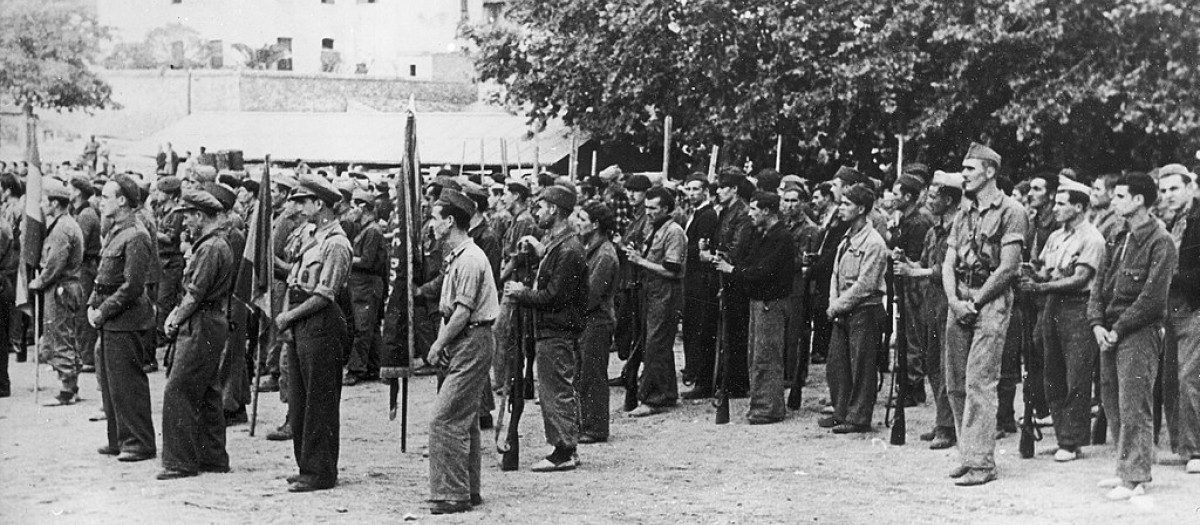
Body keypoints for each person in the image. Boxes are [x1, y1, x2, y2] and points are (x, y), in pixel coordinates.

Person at [943, 143, 1028, 486]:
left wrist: (974, 302)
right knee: (956, 382)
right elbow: (948, 261)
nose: (963, 175)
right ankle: (968, 454)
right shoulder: (965, 213)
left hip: (989, 300)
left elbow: (1008, 268)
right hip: (960, 295)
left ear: (990, 172)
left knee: (980, 381)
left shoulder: (1011, 210)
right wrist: (953, 299)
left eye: (969, 169)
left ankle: (981, 463)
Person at [1088, 172, 1177, 500]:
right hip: (1110, 330)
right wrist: (1097, 323)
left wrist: (1116, 328)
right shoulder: (1115, 235)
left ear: (1139, 200)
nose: (1114, 201)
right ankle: (1125, 467)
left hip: (1138, 332)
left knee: (1134, 403)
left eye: (1121, 196)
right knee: (1112, 401)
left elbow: (1153, 299)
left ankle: (1135, 476)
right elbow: (1098, 285)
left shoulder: (1160, 241)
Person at [1018, 178, 1106, 462]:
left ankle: (1072, 440)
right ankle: (1061, 435)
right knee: (1051, 372)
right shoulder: (1056, 237)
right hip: (1052, 306)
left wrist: (1041, 287)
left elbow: (1081, 278)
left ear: (1079, 207)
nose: (1054, 208)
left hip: (1079, 307)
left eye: (1061, 204)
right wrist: (1030, 272)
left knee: (1076, 376)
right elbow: (1046, 270)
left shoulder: (1092, 238)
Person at [275, 175, 353, 492]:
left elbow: (324, 295)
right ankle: (306, 465)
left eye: (303, 200)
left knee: (319, 401)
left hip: (321, 323)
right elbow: (295, 278)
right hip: (302, 321)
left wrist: (288, 317)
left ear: (319, 204)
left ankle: (320, 471)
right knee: (301, 398)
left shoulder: (336, 243)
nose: (298, 206)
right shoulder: (312, 237)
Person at [424, 189, 499, 515]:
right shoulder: (460, 256)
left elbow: (462, 312)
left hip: (471, 339)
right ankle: (467, 488)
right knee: (463, 419)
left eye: (435, 218)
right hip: (466, 340)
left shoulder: (469, 259)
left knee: (444, 419)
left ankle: (452, 494)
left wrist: (439, 343)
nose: (431, 224)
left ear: (450, 221)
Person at [505, 185, 586, 472]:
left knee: (555, 390)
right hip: (552, 328)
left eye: (541, 207)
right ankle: (565, 446)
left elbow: (553, 296)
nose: (537, 212)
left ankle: (563, 450)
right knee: (555, 388)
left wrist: (521, 292)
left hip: (556, 329)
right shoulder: (561, 244)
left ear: (554, 210)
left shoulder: (569, 249)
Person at [157, 190, 235, 480]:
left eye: (188, 216)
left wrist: (175, 319)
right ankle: (212, 456)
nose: (186, 222)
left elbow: (194, 293)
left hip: (201, 322)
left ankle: (180, 461)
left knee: (178, 390)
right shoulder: (214, 244)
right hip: (210, 321)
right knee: (208, 389)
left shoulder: (210, 248)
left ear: (200, 216)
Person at [91, 174, 157, 462]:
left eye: (106, 196)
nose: (101, 201)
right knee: (111, 383)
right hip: (112, 319)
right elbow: (104, 277)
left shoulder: (136, 235)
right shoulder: (117, 231)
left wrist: (102, 310)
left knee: (128, 383)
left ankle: (139, 442)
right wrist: (94, 305)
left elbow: (132, 286)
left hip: (126, 319)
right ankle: (119, 438)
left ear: (122, 201)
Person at [896, 170, 964, 450]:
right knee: (933, 363)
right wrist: (906, 265)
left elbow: (948, 269)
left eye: (935, 196)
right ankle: (942, 419)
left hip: (948, 301)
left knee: (948, 365)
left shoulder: (958, 229)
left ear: (948, 200)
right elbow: (923, 263)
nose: (930, 200)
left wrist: (918, 271)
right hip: (930, 302)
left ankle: (949, 426)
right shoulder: (933, 231)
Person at [716, 192, 795, 424]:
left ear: (767, 211)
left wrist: (732, 271)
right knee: (756, 354)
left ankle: (768, 408)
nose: (750, 214)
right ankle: (761, 403)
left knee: (766, 357)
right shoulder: (766, 235)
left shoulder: (780, 237)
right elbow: (752, 264)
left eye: (754, 209)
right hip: (759, 301)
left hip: (771, 303)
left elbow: (764, 271)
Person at [819, 184, 887, 433]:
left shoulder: (874, 243)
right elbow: (835, 274)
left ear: (861, 209)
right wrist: (834, 303)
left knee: (861, 367)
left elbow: (865, 285)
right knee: (837, 365)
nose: (841, 209)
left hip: (864, 310)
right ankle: (841, 411)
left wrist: (837, 305)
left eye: (846, 204)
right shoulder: (846, 238)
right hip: (843, 310)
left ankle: (858, 417)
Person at [999, 172, 1056, 436]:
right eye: (1030, 189)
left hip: (1047, 297)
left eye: (1037, 189)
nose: (1031, 193)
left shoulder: (1056, 224)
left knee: (1043, 354)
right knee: (1021, 355)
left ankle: (1044, 410)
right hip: (1028, 296)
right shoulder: (1031, 220)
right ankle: (1020, 414)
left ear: (1051, 195)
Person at [625, 186, 687, 417]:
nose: (649, 212)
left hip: (666, 293)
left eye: (654, 208)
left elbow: (673, 270)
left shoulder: (674, 232)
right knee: (658, 345)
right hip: (650, 292)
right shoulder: (654, 227)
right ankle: (667, 392)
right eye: (647, 207)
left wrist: (640, 261)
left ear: (666, 209)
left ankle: (652, 398)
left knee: (654, 346)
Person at [1155, 164, 1200, 474]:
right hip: (1168, 311)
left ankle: (1196, 448)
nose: (1168, 195)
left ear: (1189, 188)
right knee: (1170, 379)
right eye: (1163, 190)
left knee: (1189, 378)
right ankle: (1182, 447)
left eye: (1173, 188)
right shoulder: (1165, 223)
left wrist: (1169, 277)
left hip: (1194, 307)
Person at [31, 179, 85, 406]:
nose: (43, 205)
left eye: (45, 200)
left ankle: (66, 388)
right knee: (66, 334)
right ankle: (70, 383)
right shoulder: (66, 224)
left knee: (59, 334)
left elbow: (55, 263)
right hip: (66, 286)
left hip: (61, 288)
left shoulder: (63, 228)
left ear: (55, 203)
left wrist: (39, 282)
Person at [704, 169, 754, 398]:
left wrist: (714, 255)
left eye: (723, 187)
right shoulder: (725, 212)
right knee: (726, 331)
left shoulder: (742, 213)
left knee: (735, 331)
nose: (718, 192)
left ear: (733, 189)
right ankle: (726, 379)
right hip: (723, 275)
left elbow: (738, 249)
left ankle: (736, 382)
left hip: (735, 277)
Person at [575, 202, 619, 442]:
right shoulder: (593, 249)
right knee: (585, 373)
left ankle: (595, 427)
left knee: (592, 375)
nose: (578, 222)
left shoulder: (604, 255)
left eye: (582, 219)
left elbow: (592, 294)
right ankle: (587, 423)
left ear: (595, 224)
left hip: (597, 320)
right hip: (589, 319)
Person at [890, 174, 933, 406]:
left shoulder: (916, 223)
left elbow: (916, 259)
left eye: (897, 193)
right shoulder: (906, 220)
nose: (893, 198)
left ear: (908, 196)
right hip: (907, 285)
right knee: (907, 336)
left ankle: (913, 386)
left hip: (915, 287)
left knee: (912, 337)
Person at [680, 175, 720, 399]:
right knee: (692, 325)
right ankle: (693, 369)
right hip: (693, 277)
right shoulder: (695, 213)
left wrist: (685, 249)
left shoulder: (707, 215)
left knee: (698, 326)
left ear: (705, 191)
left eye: (696, 189)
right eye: (689, 189)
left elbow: (701, 246)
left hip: (700, 278)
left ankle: (697, 373)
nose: (692, 193)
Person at [780, 183, 819, 407]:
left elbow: (805, 261)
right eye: (786, 200)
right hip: (785, 283)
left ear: (802, 203)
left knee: (797, 332)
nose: (790, 205)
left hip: (800, 285)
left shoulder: (809, 229)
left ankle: (797, 374)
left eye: (794, 201)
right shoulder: (783, 224)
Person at [344, 190, 387, 386]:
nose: (353, 210)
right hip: (362, 285)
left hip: (367, 285)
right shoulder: (366, 229)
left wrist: (347, 258)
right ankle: (374, 366)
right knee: (370, 327)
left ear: (364, 208)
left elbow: (368, 261)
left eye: (355, 206)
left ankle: (357, 369)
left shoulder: (373, 231)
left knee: (362, 328)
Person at [69, 176, 102, 373]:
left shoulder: (86, 215)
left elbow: (78, 245)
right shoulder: (84, 212)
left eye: (70, 188)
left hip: (85, 268)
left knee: (82, 313)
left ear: (78, 193)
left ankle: (87, 357)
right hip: (84, 266)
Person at [153, 176, 186, 358]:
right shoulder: (161, 210)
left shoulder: (177, 213)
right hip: (161, 260)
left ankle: (162, 336)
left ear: (171, 194)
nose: (158, 195)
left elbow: (170, 238)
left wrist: (153, 231)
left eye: (161, 192)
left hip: (171, 261)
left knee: (164, 299)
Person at [1089, 173, 1124, 242]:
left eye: (1098, 189)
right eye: (1093, 189)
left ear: (1112, 193)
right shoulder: (1096, 213)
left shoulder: (1116, 220)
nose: (1093, 193)